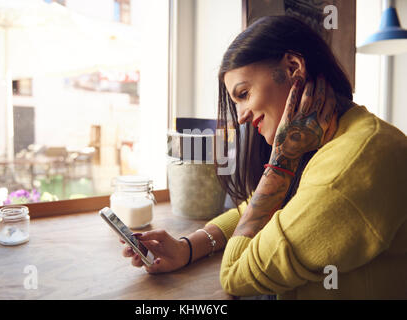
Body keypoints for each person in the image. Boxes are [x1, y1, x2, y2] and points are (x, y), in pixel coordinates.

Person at [121, 15, 407, 299]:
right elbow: (261, 205)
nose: (242, 116)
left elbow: (235, 274)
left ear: (293, 67)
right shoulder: (337, 134)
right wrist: (188, 246)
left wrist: (281, 163)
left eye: (244, 93)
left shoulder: (351, 165)